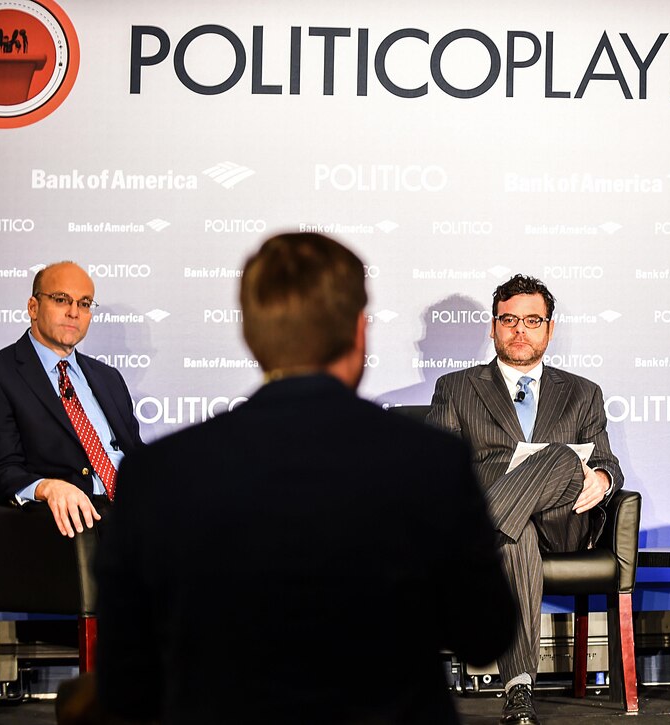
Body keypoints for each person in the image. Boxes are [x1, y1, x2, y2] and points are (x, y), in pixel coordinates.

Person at [92, 233, 515, 724]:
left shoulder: (157, 474)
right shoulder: (430, 462)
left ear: (251, 334)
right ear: (359, 331)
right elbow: (484, 632)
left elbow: (125, 683)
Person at [427, 274, 624, 725]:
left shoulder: (582, 392)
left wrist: (603, 479)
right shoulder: (456, 388)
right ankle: (519, 689)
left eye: (532, 320)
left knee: (558, 458)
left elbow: (610, 464)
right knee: (516, 537)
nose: (520, 330)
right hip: (514, 531)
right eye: (509, 319)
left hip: (565, 519)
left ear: (549, 329)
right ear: (492, 327)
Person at [0, 261, 143, 536]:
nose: (73, 312)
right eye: (61, 300)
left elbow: (135, 452)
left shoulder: (108, 377)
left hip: (135, 509)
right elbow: (0, 469)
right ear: (33, 307)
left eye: (85, 303)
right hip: (74, 522)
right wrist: (46, 487)